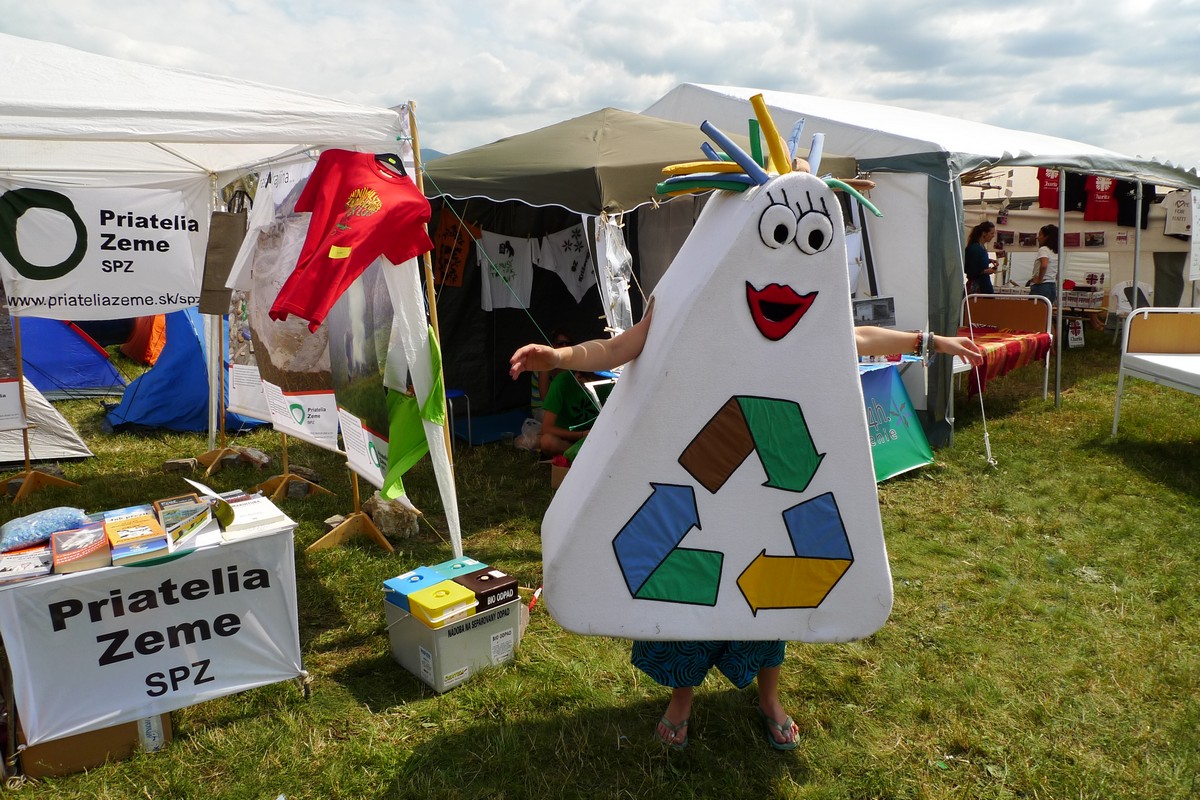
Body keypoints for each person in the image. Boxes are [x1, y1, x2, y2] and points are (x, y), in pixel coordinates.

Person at [510, 311, 983, 750]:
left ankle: (769, 697)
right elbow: (620, 348)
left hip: (767, 471)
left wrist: (931, 341)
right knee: (683, 591)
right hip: (694, 468)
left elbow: (848, 336)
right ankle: (682, 698)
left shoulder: (794, 299)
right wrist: (558, 357)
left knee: (769, 587)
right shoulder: (694, 290)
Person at [964, 221, 998, 294]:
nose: (993, 236)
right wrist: (985, 271)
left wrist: (989, 260)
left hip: (984, 285)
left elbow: (977, 261)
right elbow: (969, 269)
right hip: (977, 287)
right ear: (984, 233)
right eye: (992, 233)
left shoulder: (981, 247)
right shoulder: (974, 248)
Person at [1029, 224, 1059, 303]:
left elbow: (1044, 265)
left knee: (1035, 312)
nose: (1037, 237)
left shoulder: (1043, 249)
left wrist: (1039, 279)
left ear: (1047, 237)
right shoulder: (1056, 252)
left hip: (1041, 286)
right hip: (1052, 285)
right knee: (1046, 312)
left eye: (1040, 235)